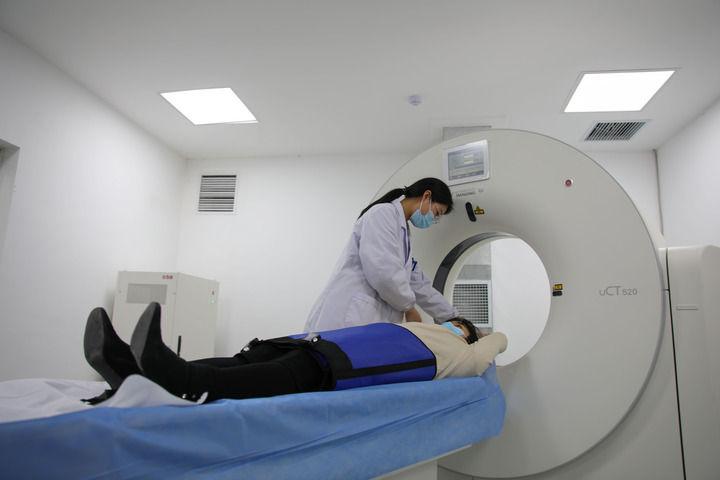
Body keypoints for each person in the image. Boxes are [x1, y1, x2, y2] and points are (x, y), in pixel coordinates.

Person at [84, 302, 507, 402]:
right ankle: (130, 368)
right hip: (318, 343)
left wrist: (489, 334)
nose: (452, 325)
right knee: (243, 360)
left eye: (461, 327)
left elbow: (490, 347)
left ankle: (178, 377)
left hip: (339, 368)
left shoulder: (459, 356)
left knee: (265, 374)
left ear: (467, 338)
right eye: (453, 321)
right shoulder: (417, 327)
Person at [305, 177, 460, 332]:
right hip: (350, 315)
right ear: (426, 196)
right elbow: (383, 274)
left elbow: (419, 284)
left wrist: (453, 317)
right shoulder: (382, 214)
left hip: (366, 318)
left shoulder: (403, 233)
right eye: (436, 213)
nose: (433, 220)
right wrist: (409, 308)